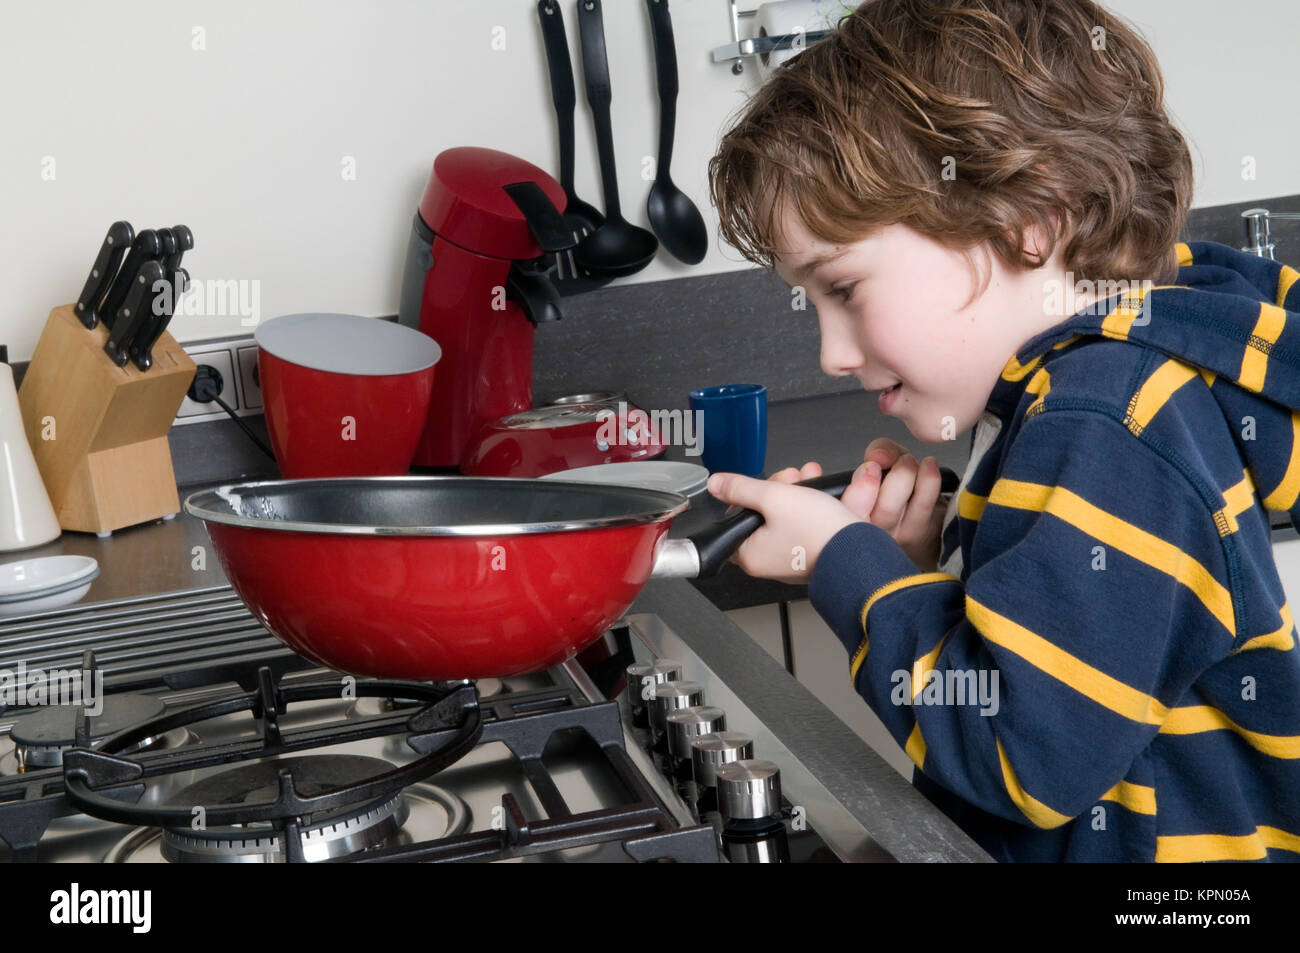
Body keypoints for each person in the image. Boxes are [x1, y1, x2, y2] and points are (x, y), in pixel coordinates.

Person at [705, 0, 1300, 862]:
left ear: (1031, 220)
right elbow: (1055, 674)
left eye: (844, 288)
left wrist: (842, 562)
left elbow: (1022, 754)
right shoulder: (1086, 389)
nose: (831, 352)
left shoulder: (1106, 418)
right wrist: (914, 579)